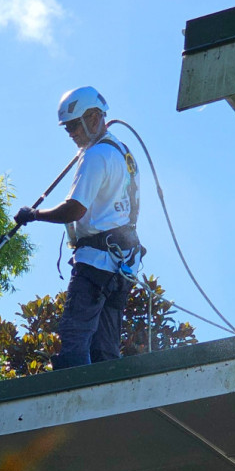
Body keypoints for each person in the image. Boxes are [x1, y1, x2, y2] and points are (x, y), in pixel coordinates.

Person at [14, 86, 144, 369]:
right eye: (68, 128)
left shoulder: (96, 156)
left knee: (75, 337)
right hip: (122, 265)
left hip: (96, 263)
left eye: (75, 125)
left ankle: (70, 397)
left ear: (95, 118)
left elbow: (75, 209)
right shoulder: (122, 153)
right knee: (105, 349)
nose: (71, 133)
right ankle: (107, 402)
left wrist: (33, 215)